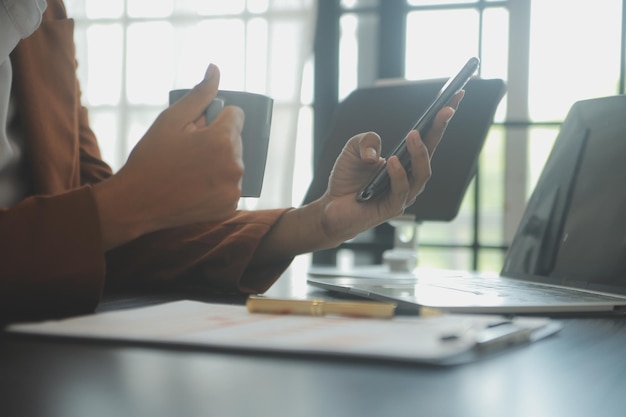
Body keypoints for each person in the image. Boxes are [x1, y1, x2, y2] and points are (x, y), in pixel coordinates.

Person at [0, 0, 462, 321]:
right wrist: (132, 198)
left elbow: (103, 237)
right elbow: (107, 217)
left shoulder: (47, 15)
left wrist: (316, 223)